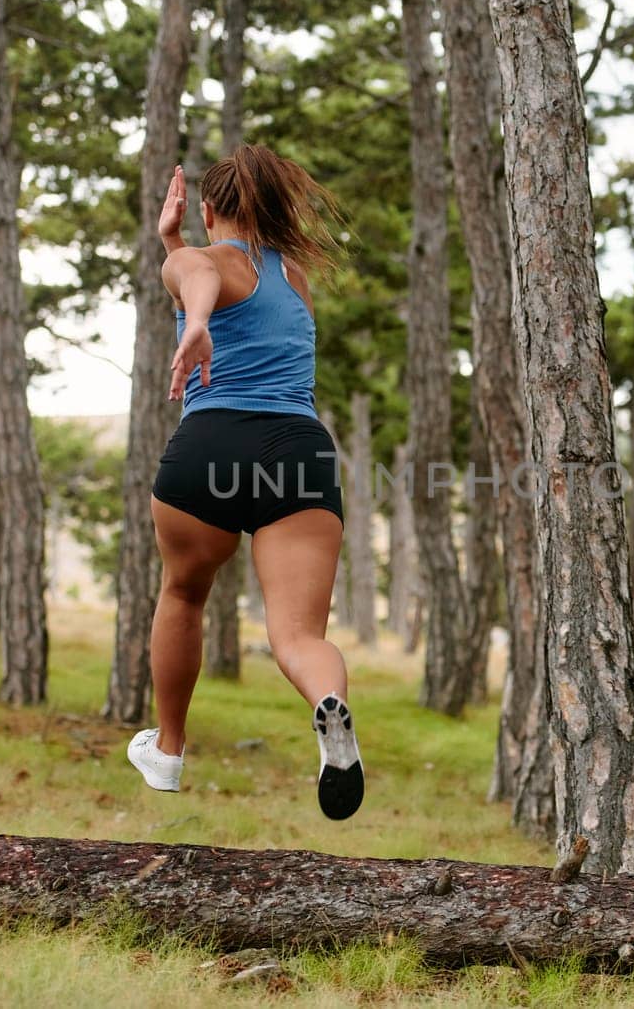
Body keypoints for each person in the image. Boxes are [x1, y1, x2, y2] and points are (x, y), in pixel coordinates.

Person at [126, 145, 363, 821]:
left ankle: (168, 750)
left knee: (184, 591)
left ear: (208, 211)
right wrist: (180, 254)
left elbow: (200, 273)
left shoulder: (193, 260)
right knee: (298, 635)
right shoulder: (293, 273)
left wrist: (195, 317)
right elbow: (215, 272)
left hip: (212, 444)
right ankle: (328, 708)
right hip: (296, 452)